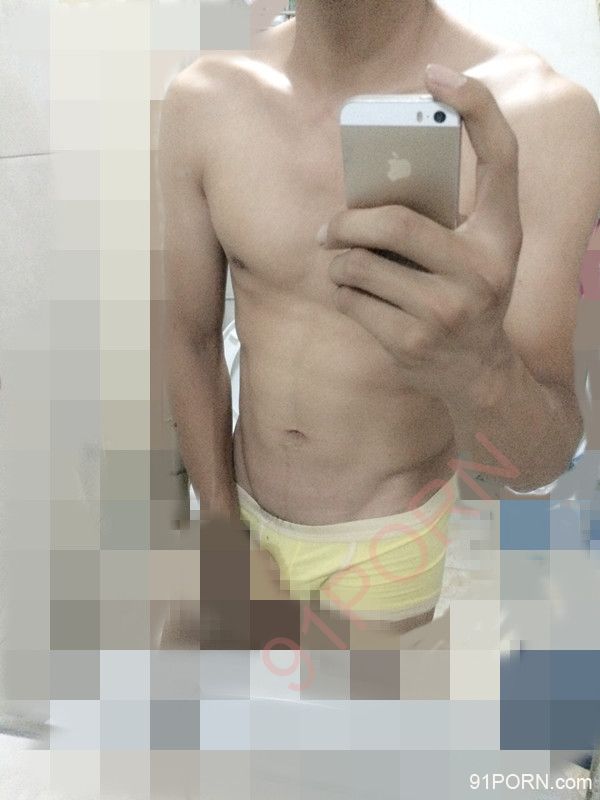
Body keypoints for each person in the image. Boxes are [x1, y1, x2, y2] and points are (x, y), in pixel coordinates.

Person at [158, 0, 600, 636]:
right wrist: (222, 532)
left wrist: (482, 367)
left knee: (348, 704)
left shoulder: (543, 116)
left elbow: (542, 461)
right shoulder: (205, 96)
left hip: (390, 540)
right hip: (240, 507)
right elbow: (191, 338)